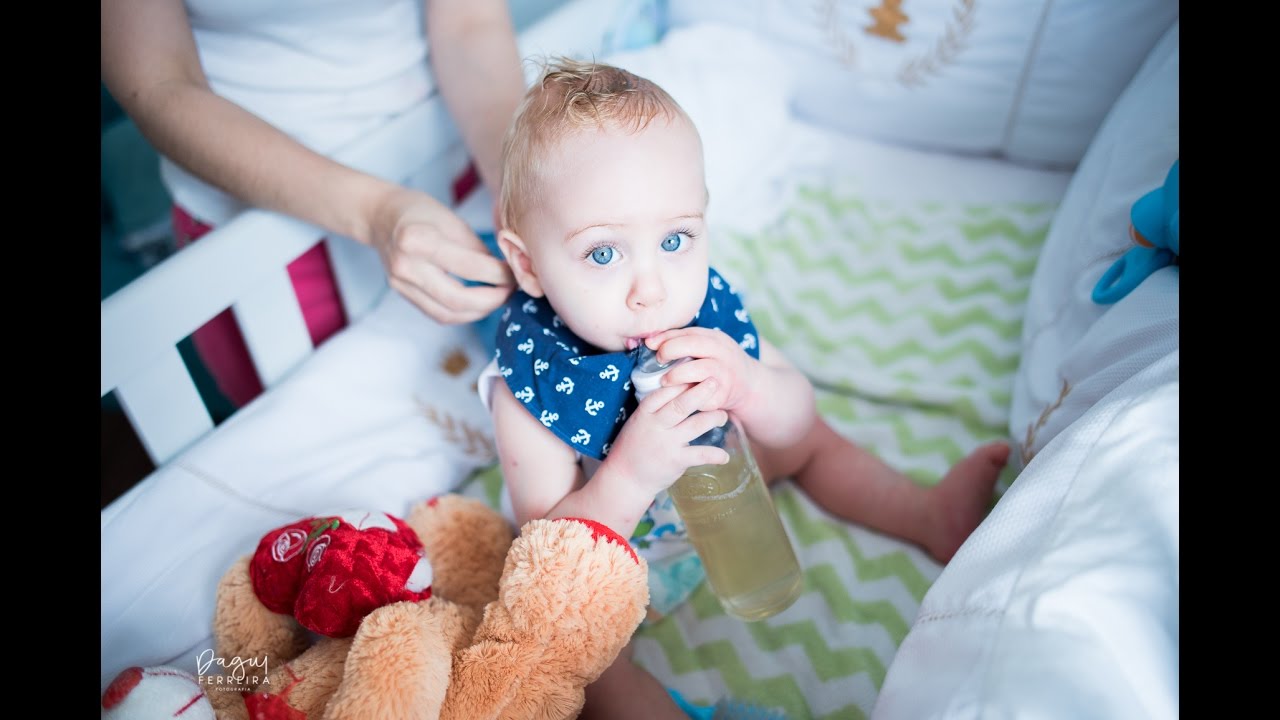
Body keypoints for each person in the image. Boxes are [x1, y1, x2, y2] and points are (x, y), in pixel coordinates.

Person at [475, 58, 1011, 720]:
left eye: (675, 239)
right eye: (604, 254)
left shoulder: (700, 317)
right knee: (573, 652)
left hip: (728, 510)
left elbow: (795, 421)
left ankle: (927, 515)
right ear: (528, 264)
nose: (654, 289)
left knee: (812, 444)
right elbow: (552, 553)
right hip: (623, 566)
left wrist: (751, 384)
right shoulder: (532, 382)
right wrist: (632, 472)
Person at [101, 0, 523, 408]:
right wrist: (377, 212)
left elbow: (470, 20)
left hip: (451, 170)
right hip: (265, 221)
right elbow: (160, 86)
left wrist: (518, 186)